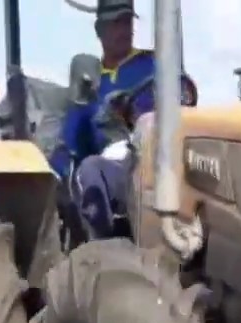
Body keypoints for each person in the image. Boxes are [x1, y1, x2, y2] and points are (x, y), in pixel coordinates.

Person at [56, 1, 155, 239]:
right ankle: (105, 249)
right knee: (90, 169)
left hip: (157, 156)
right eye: (115, 23)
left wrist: (133, 114)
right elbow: (69, 144)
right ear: (99, 30)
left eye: (127, 21)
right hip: (116, 168)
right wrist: (55, 174)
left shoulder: (153, 64)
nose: (124, 30)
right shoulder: (89, 82)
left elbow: (182, 102)